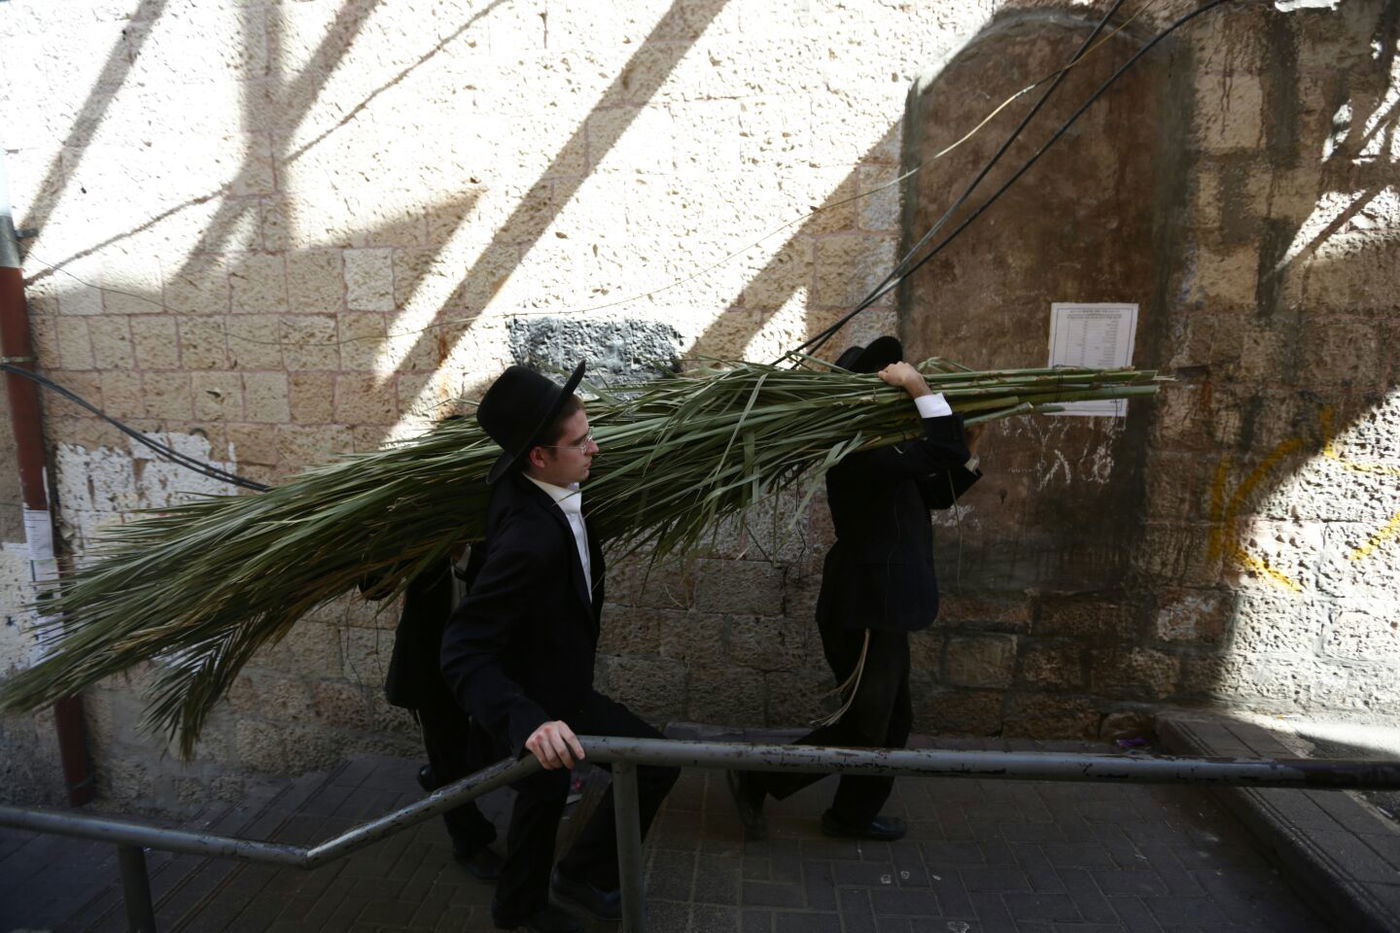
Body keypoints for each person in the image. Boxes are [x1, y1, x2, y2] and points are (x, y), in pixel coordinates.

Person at [441, 362, 679, 933]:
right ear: (539, 457)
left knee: (545, 793)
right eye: (580, 443)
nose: (595, 449)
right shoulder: (528, 536)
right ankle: (545, 896)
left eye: (589, 433)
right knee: (648, 762)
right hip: (541, 701)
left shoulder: (549, 487)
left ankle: (556, 887)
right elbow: (464, 647)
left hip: (558, 682)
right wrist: (529, 720)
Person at [727, 336, 981, 842]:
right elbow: (941, 448)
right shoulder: (858, 452)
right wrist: (919, 386)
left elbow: (933, 491)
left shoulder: (887, 452)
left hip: (885, 606)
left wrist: (970, 459)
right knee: (866, 725)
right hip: (867, 606)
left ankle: (852, 815)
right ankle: (757, 778)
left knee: (892, 722)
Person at [362, 554, 504, 880]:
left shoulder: (500, 511)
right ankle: (469, 842)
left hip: (492, 650)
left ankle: (439, 776)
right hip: (433, 657)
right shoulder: (417, 517)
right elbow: (373, 589)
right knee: (448, 751)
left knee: (500, 743)